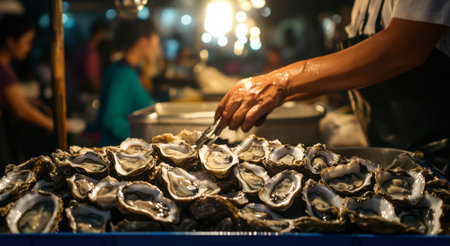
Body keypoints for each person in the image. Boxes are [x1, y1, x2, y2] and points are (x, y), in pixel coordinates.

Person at [215, 1, 449, 167]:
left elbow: (405, 47)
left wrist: (281, 81)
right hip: (394, 157)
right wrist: (274, 95)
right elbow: (356, 69)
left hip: (441, 160)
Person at [0, 15, 58, 164]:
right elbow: (22, 110)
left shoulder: (7, 67)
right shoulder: (2, 70)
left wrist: (35, 103)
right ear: (11, 41)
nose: (29, 47)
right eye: (27, 42)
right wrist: (55, 125)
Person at [96, 19, 158, 146]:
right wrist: (146, 136)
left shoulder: (127, 69)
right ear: (142, 41)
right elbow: (111, 120)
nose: (157, 47)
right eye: (156, 41)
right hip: (121, 150)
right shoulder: (124, 74)